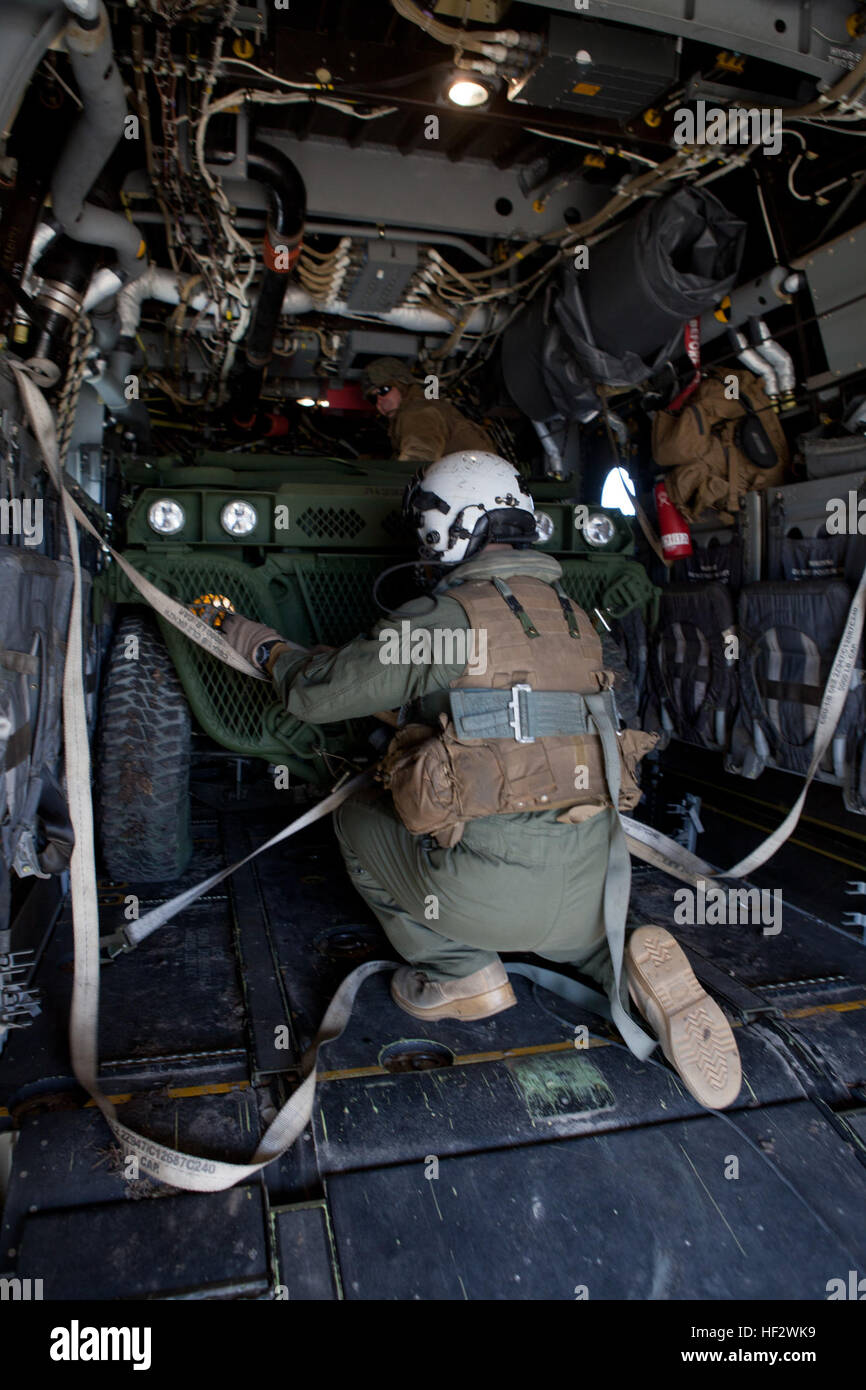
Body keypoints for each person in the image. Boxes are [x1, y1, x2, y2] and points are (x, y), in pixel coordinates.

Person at [210, 451, 742, 1110]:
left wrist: (262, 646)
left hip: (482, 893)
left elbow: (317, 698)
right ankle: (619, 966)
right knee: (568, 926)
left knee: (354, 819)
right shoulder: (576, 618)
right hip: (590, 880)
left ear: (447, 530)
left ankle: (463, 974)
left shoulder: (445, 618)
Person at [363, 356, 496, 463]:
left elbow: (419, 458)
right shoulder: (420, 409)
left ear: (402, 384)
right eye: (373, 399)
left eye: (384, 390)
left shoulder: (417, 412)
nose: (380, 401)